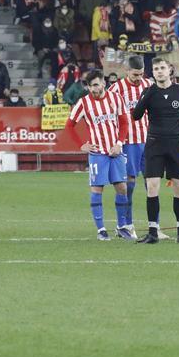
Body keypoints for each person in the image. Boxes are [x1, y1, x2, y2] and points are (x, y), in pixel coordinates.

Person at [130, 58, 179, 244]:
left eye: (162, 68)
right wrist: (144, 96)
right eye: (156, 69)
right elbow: (135, 116)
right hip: (154, 144)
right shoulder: (149, 92)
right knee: (152, 186)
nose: (159, 71)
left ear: (170, 70)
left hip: (176, 144)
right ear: (152, 73)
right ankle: (153, 232)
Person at [65, 70, 132, 241]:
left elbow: (124, 122)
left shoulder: (116, 98)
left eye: (96, 84)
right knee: (97, 189)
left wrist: (119, 143)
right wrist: (82, 145)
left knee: (122, 188)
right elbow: (69, 125)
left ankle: (121, 226)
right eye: (90, 86)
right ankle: (101, 229)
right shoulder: (84, 103)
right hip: (97, 153)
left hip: (115, 152)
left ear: (103, 83)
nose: (94, 89)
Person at [107, 55, 153, 238]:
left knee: (152, 183)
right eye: (135, 74)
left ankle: (154, 226)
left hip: (148, 141)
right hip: (128, 143)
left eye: (141, 74)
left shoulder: (149, 85)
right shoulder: (116, 89)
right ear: (127, 71)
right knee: (129, 185)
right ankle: (126, 224)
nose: (138, 78)